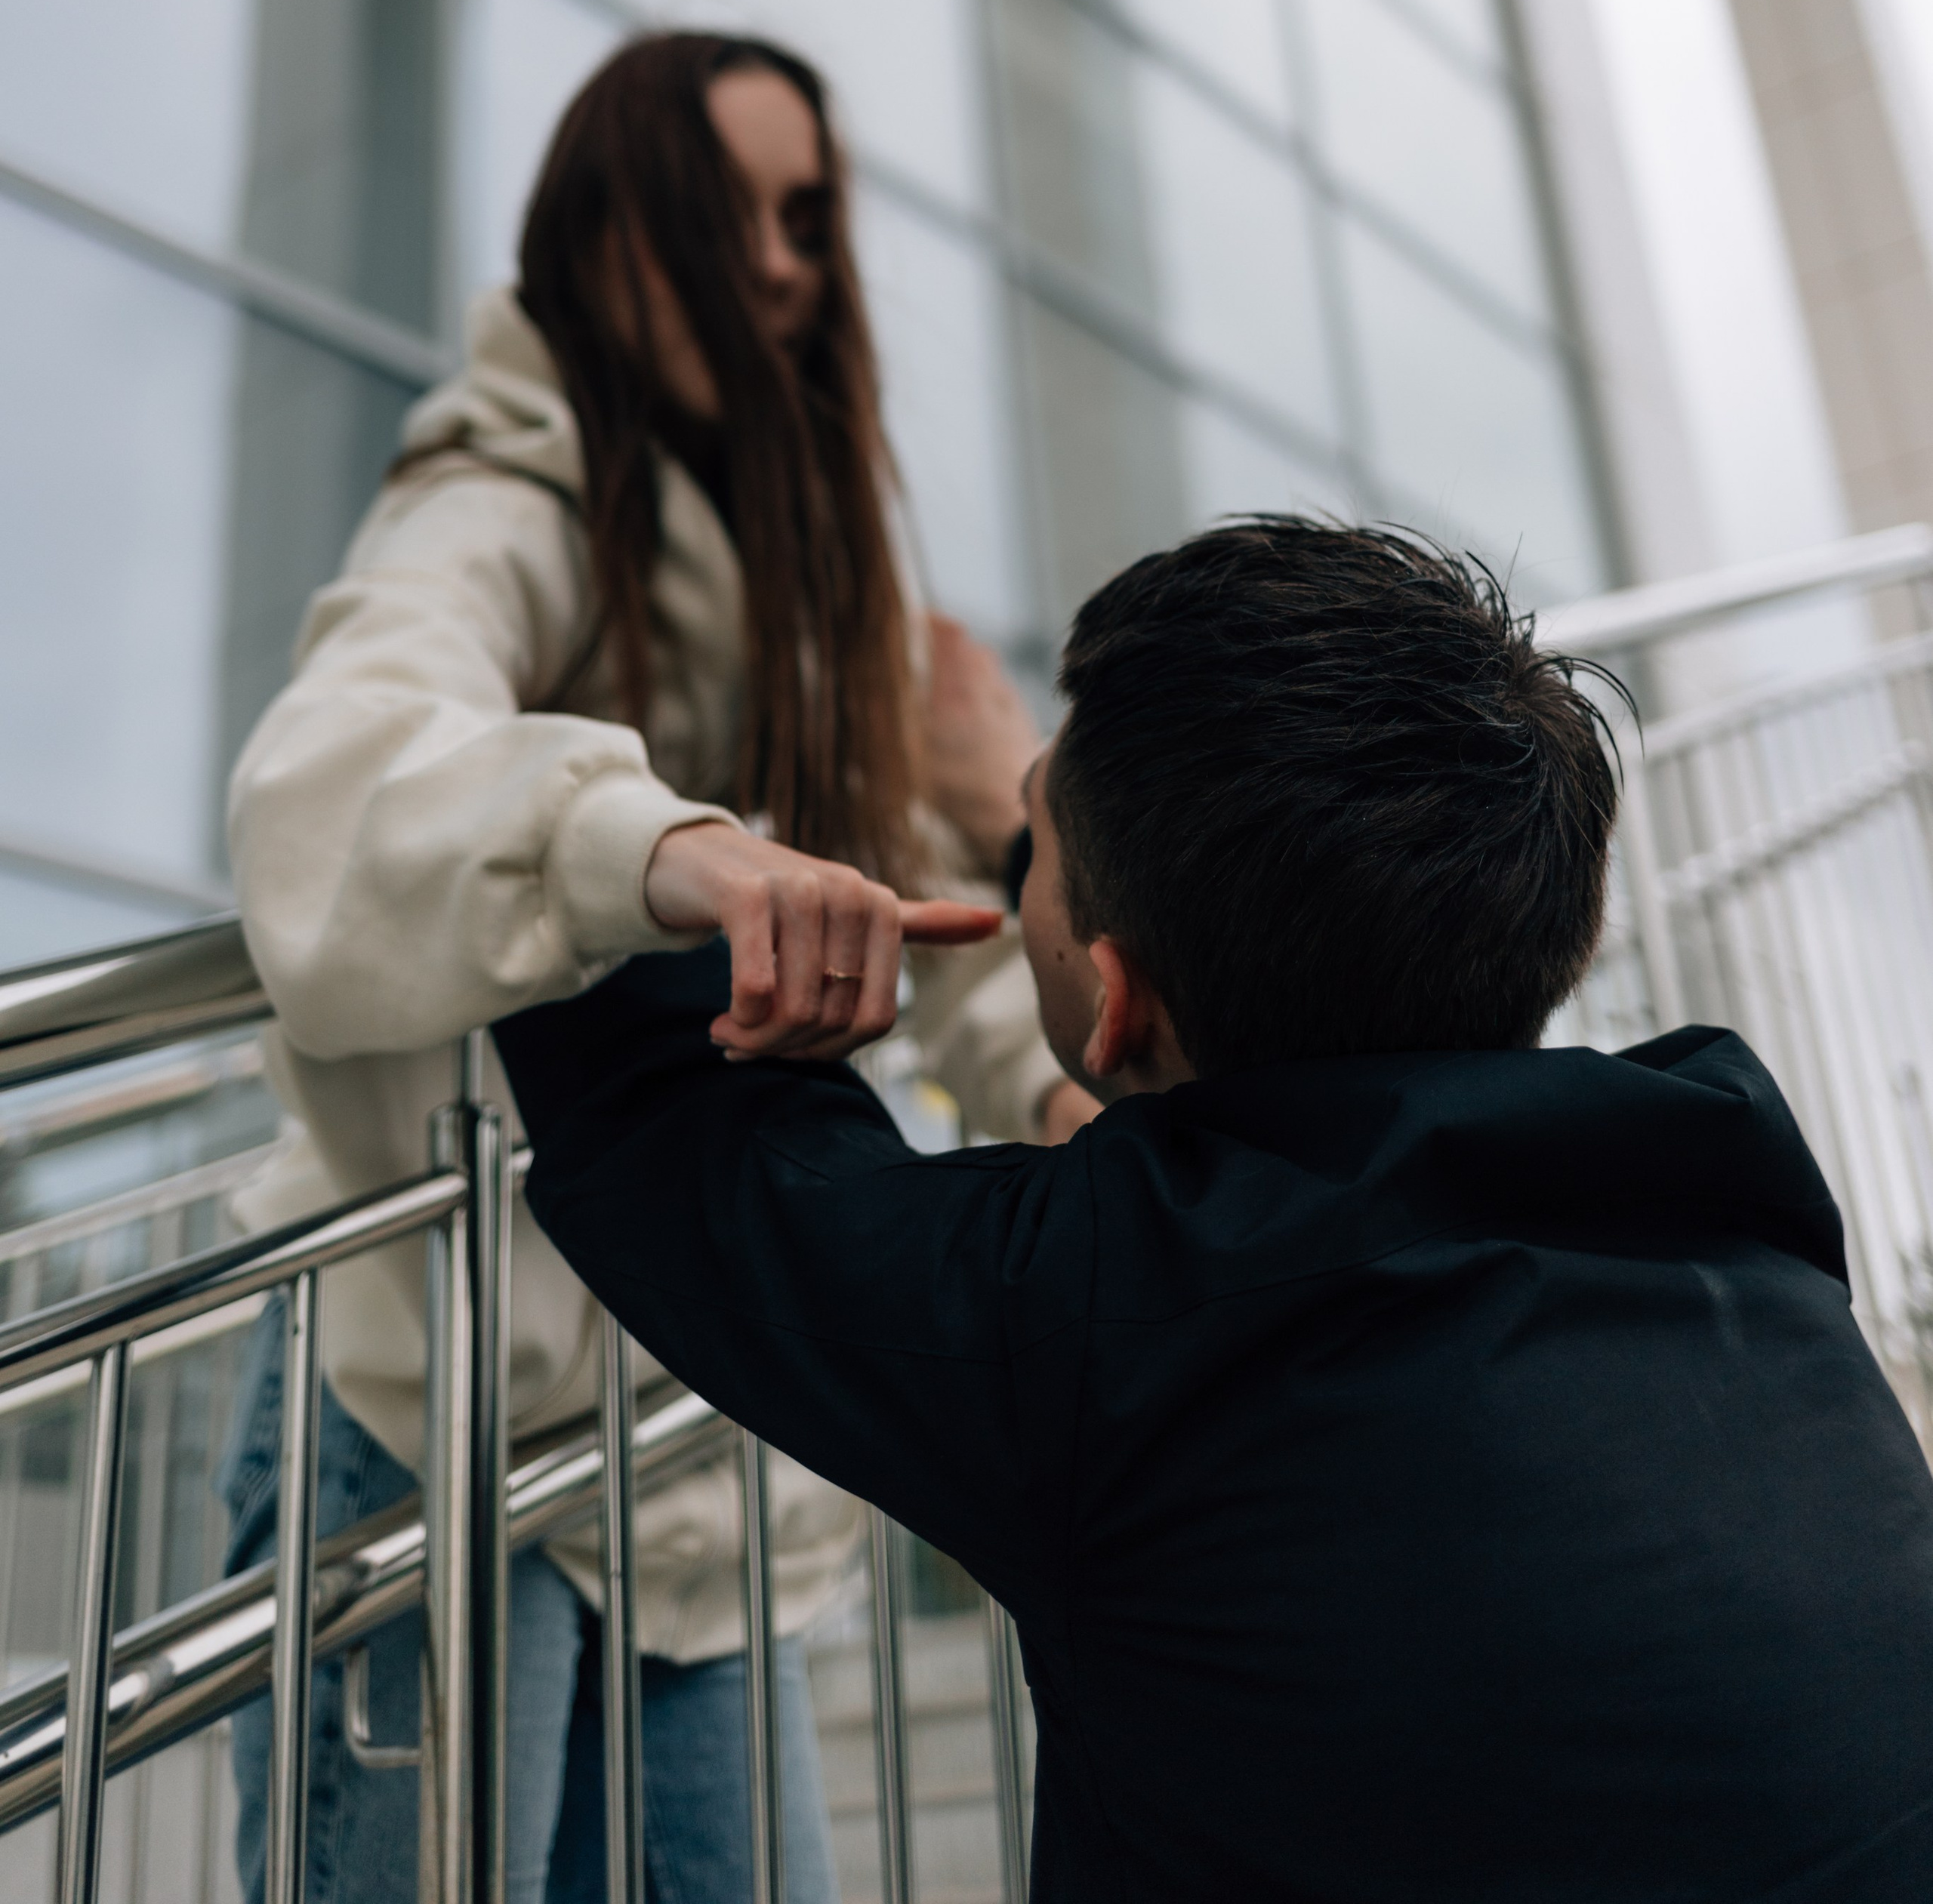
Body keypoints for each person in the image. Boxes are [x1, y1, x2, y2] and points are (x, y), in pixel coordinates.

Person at [498, 517, 1933, 1902]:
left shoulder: (1109, 1313)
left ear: (1114, 1008)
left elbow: (668, 1114)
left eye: (1035, 848)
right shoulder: (1750, 1248)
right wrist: (1041, 814)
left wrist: (674, 852)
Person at [222, 30, 1096, 1904]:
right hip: (437, 1419)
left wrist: (1065, 1098)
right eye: (729, 213)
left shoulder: (815, 577)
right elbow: (334, 762)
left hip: (696, 1456)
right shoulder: (505, 493)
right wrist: (674, 855)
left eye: (808, 216)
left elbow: (929, 911)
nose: (780, 261)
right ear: (605, 236)